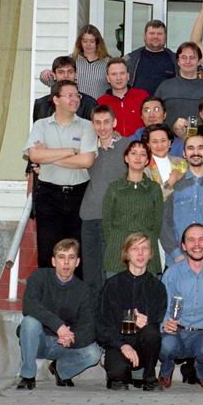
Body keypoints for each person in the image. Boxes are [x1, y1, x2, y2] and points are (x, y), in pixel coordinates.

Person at [25, 81, 97, 271]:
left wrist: (49, 156)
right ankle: (49, 290)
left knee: (77, 251)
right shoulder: (41, 125)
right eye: (69, 95)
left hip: (79, 196)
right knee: (47, 251)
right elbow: (34, 155)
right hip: (48, 195)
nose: (75, 99)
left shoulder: (87, 126)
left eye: (77, 95)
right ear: (56, 99)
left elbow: (87, 161)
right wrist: (70, 151)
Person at [16, 239, 101, 390]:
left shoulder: (84, 290)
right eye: (61, 257)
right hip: (38, 341)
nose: (66, 263)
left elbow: (88, 327)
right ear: (54, 261)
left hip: (64, 345)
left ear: (77, 262)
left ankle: (61, 370)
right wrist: (59, 326)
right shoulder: (39, 276)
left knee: (93, 354)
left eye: (71, 257)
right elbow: (29, 305)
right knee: (29, 322)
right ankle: (28, 375)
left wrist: (71, 339)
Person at [98, 233, 167, 390]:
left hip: (143, 346)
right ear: (127, 254)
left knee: (151, 332)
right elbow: (102, 323)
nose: (140, 253)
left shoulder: (157, 287)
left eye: (145, 248)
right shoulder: (112, 284)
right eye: (135, 249)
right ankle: (120, 374)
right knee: (118, 375)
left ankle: (150, 378)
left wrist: (145, 322)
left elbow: (156, 321)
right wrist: (122, 345)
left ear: (151, 254)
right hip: (118, 344)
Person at [158, 224, 203, 389]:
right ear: (184, 246)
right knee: (165, 346)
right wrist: (165, 322)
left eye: (202, 239)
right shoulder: (172, 273)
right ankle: (166, 369)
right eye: (191, 240)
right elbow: (162, 306)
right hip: (176, 332)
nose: (197, 244)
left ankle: (202, 371)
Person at [79, 105, 125, 300]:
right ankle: (92, 313)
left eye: (106, 122)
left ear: (114, 122)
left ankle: (110, 313)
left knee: (112, 271)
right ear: (92, 125)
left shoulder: (127, 147)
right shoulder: (87, 150)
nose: (102, 127)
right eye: (97, 123)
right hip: (89, 216)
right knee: (91, 271)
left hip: (115, 218)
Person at [101, 140, 163, 276]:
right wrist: (117, 241)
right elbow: (106, 222)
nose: (138, 157)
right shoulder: (114, 188)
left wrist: (144, 243)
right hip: (118, 250)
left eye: (143, 154)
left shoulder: (154, 189)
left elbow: (157, 223)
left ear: (147, 161)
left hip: (145, 251)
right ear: (126, 158)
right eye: (133, 153)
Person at [160, 134, 203, 267]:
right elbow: (164, 222)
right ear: (184, 153)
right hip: (177, 262)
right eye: (191, 148)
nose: (196, 152)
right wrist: (176, 254)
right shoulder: (174, 185)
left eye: (201, 148)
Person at [155, 41, 203, 130]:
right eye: (184, 57)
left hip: (200, 138)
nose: (188, 61)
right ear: (178, 61)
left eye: (192, 57)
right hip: (168, 138)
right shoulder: (165, 87)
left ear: (199, 61)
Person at [39, 25, 110, 99]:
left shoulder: (107, 63)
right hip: (73, 104)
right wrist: (45, 74)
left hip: (99, 105)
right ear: (80, 42)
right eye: (85, 41)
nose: (88, 45)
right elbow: (51, 80)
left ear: (98, 42)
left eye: (92, 41)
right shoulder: (71, 60)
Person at [32, 56, 97, 122]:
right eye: (61, 72)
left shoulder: (89, 104)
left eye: (70, 72)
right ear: (54, 75)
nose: (66, 76)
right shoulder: (41, 105)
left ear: (75, 74)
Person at [97, 58, 149, 137]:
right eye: (114, 74)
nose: (118, 78)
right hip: (113, 144)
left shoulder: (143, 96)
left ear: (128, 76)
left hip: (140, 143)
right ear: (108, 78)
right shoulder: (101, 102)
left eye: (122, 73)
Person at [124, 19, 178, 95]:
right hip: (138, 102)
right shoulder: (130, 59)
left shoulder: (177, 60)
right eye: (152, 33)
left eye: (159, 34)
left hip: (167, 102)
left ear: (165, 37)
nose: (155, 36)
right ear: (144, 36)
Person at [143, 123, 186, 202]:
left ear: (169, 143)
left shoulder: (182, 163)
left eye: (163, 141)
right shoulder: (143, 168)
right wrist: (170, 182)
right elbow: (148, 200)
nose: (159, 145)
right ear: (148, 145)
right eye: (154, 142)